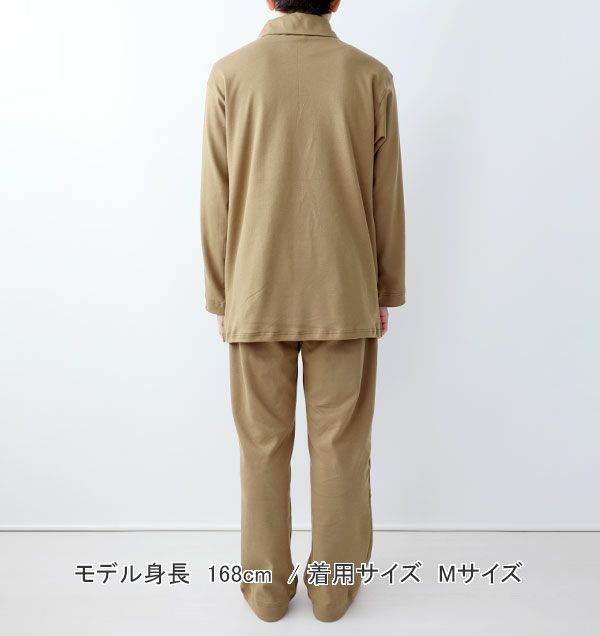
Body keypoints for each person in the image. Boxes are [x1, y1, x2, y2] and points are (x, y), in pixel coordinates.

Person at [200, 0, 405, 622]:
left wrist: (222, 294)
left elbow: (216, 194)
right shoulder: (370, 76)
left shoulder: (230, 74)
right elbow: (387, 196)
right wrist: (383, 289)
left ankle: (265, 593)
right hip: (343, 290)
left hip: (255, 289)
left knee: (261, 447)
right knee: (341, 445)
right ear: (335, 0)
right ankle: (334, 593)